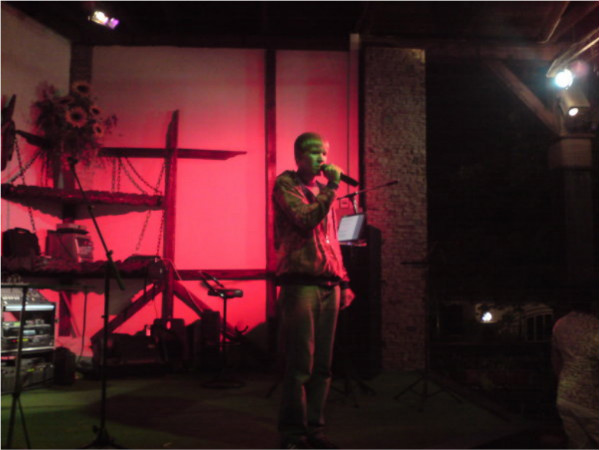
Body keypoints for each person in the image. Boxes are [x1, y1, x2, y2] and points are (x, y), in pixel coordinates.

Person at [273, 132, 355, 449]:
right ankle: (293, 434)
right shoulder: (285, 185)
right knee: (300, 366)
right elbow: (305, 219)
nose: (322, 158)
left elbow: (332, 242)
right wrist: (333, 188)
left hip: (328, 285)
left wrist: (343, 281)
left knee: (322, 366)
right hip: (300, 285)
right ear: (298, 156)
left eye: (324, 153)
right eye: (314, 152)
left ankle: (315, 430)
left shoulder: (323, 192)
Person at [551, 297, 599, 449]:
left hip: (565, 395)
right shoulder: (595, 326)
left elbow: (556, 359)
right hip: (590, 399)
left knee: (578, 445)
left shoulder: (560, 324)